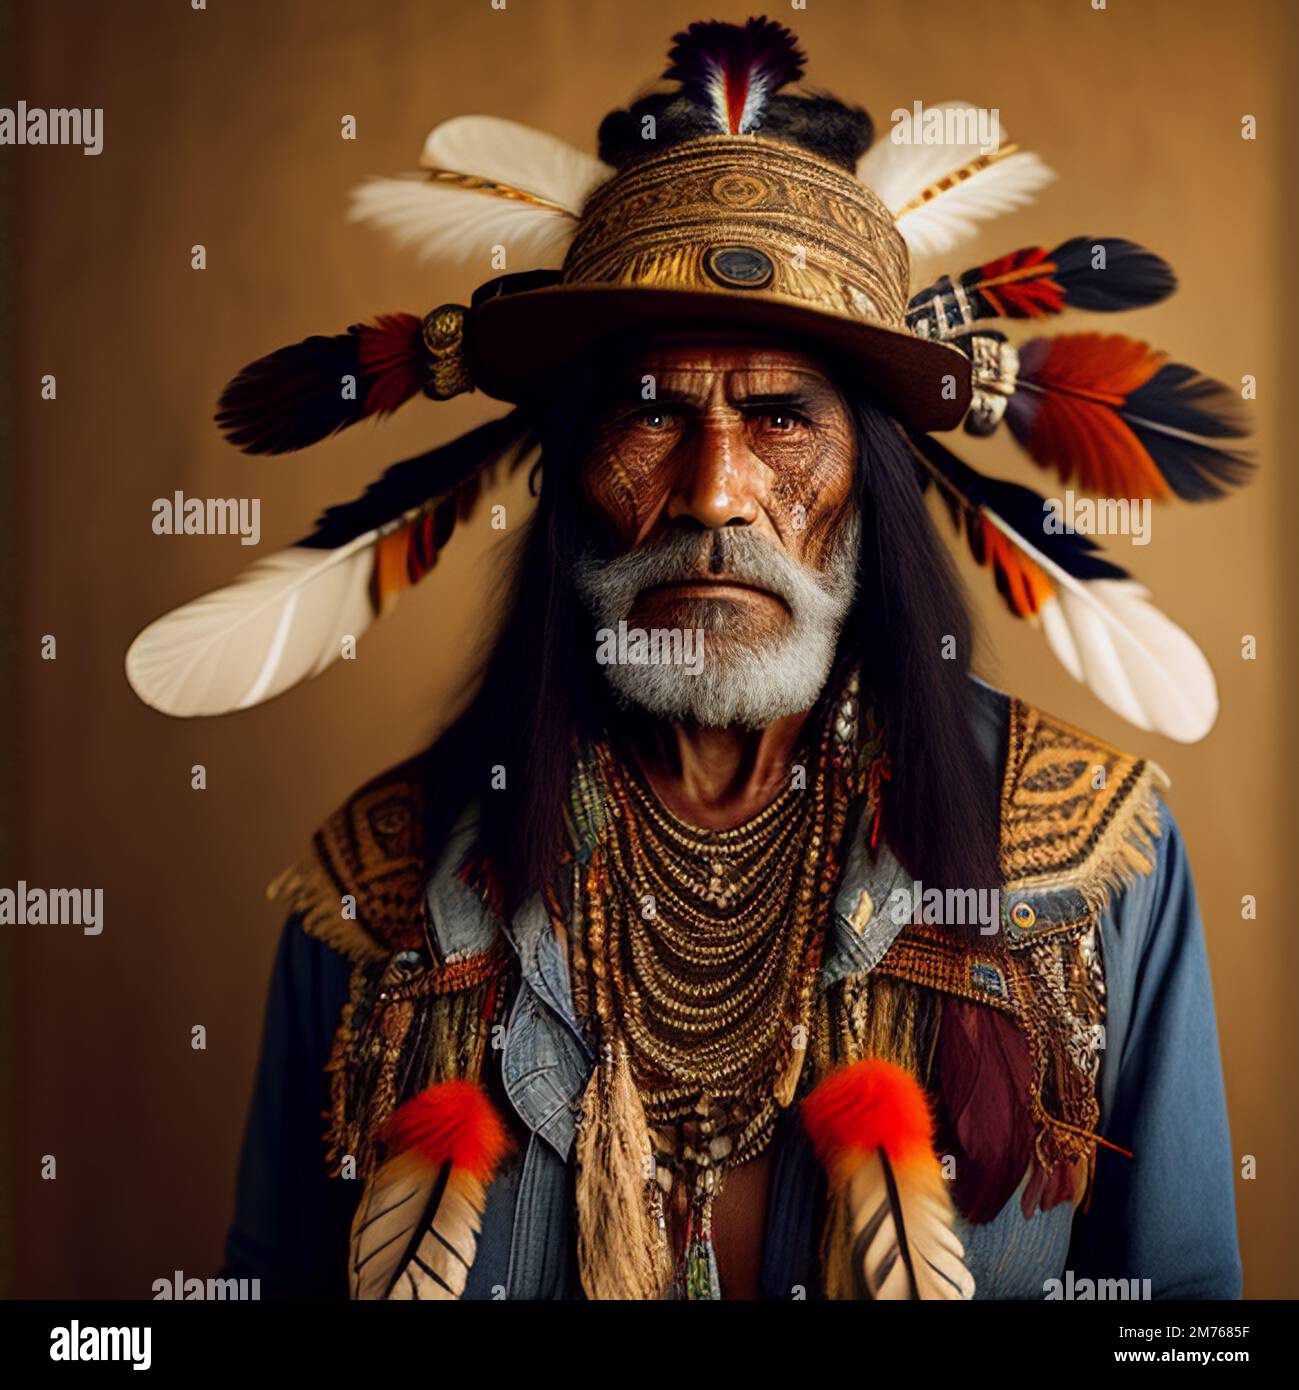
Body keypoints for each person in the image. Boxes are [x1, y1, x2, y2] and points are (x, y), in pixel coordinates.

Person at [128, 17, 1246, 1300]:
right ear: (564, 484)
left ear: (870, 487)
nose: (715, 492)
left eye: (781, 418)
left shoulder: (1092, 862)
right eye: (652, 413)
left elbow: (1187, 1322)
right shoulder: (386, 888)